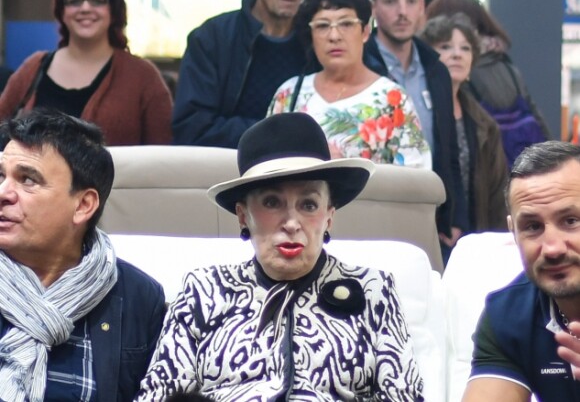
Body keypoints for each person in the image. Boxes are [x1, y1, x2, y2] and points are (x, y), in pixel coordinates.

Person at [136, 113, 425, 401]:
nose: (291, 222)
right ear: (243, 215)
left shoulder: (373, 290)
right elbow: (159, 395)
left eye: (309, 205)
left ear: (328, 217)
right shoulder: (204, 289)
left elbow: (404, 396)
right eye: (272, 202)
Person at [0, 108, 166, 402]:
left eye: (28, 180)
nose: (4, 192)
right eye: (0, 176)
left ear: (83, 206)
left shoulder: (139, 298)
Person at [172, 0, 317, 148]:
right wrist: (278, 133)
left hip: (302, 177)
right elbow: (192, 129)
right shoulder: (212, 38)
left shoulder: (317, 39)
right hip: (227, 175)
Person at [0, 0, 173, 145]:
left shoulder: (143, 76)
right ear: (62, 11)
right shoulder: (34, 67)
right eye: (75, 1)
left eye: (97, 1)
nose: (85, 8)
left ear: (113, 10)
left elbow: (163, 157)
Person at [269, 0, 431, 168]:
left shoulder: (393, 99)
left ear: (365, 31)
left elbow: (417, 179)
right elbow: (266, 164)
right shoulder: (288, 95)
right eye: (322, 26)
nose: (334, 36)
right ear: (311, 36)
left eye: (346, 24)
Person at [363, 0, 466, 257]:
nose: (402, 12)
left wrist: (456, 217)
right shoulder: (362, 65)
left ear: (422, 6)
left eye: (410, 1)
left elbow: (448, 150)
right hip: (376, 213)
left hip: (432, 217)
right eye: (391, 1)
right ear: (373, 8)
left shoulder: (436, 69)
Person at [463, 141, 580, 401]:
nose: (552, 248)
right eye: (532, 227)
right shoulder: (509, 315)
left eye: (570, 221)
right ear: (513, 233)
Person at [426, 0, 550, 167]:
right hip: (527, 168)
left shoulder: (460, 72)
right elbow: (537, 119)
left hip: (488, 169)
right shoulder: (507, 66)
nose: (457, 54)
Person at [420, 14, 508, 232]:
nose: (457, 54)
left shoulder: (484, 124)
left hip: (475, 238)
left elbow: (497, 192)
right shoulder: (415, 112)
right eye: (445, 46)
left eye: (465, 48)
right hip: (426, 230)